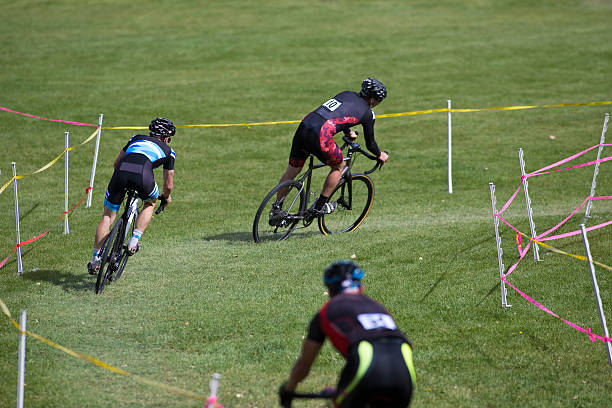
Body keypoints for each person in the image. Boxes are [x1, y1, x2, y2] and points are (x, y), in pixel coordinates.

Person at [279, 261, 415, 408]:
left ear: (330, 291)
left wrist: (289, 388)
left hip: (367, 363)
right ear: (361, 287)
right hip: (405, 370)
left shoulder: (325, 312)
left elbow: (304, 365)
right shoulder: (378, 306)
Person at [273, 78, 389, 217]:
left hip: (305, 125)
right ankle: (319, 207)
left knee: (291, 172)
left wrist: (348, 132)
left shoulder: (346, 94)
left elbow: (337, 113)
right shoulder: (368, 114)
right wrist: (379, 154)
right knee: (339, 167)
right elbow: (370, 143)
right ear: (372, 100)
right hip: (321, 133)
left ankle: (276, 209)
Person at [87, 117, 176, 275]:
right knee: (149, 203)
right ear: (165, 137)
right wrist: (166, 197)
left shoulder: (135, 138)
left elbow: (116, 164)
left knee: (108, 215)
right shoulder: (169, 151)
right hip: (143, 175)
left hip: (121, 172)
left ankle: (95, 259)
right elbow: (168, 184)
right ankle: (133, 242)